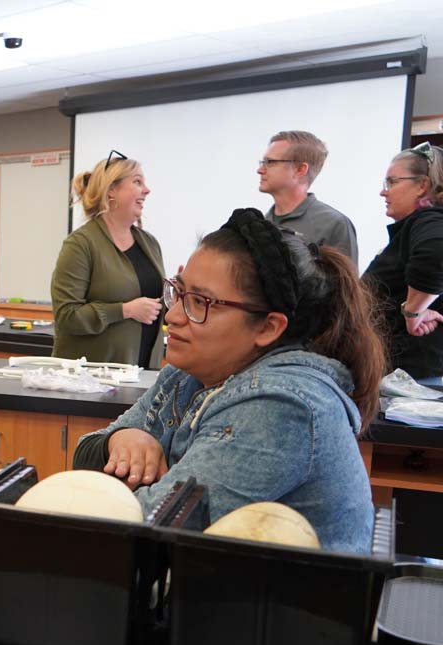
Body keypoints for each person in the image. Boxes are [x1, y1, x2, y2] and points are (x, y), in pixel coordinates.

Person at [74, 209, 385, 553]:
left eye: (200, 302)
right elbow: (85, 457)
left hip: (290, 603)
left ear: (268, 328)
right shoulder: (188, 373)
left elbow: (147, 532)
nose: (173, 316)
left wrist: (116, 477)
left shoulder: (282, 406)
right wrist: (122, 437)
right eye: (178, 292)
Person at [51, 152, 165, 368]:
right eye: (137, 182)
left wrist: (176, 296)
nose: (147, 190)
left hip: (143, 375)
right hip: (90, 381)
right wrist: (125, 310)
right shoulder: (81, 244)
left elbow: (155, 309)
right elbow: (67, 316)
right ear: (111, 190)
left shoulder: (149, 243)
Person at [361, 142, 443, 380]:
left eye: (392, 182)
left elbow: (436, 256)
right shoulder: (418, 227)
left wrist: (413, 312)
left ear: (422, 186)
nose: (384, 192)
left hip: (410, 381)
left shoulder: (428, 221)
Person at [258, 130, 359, 266]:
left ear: (300, 169)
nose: (260, 170)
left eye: (270, 162)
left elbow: (345, 285)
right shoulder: (261, 223)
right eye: (262, 162)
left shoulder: (334, 225)